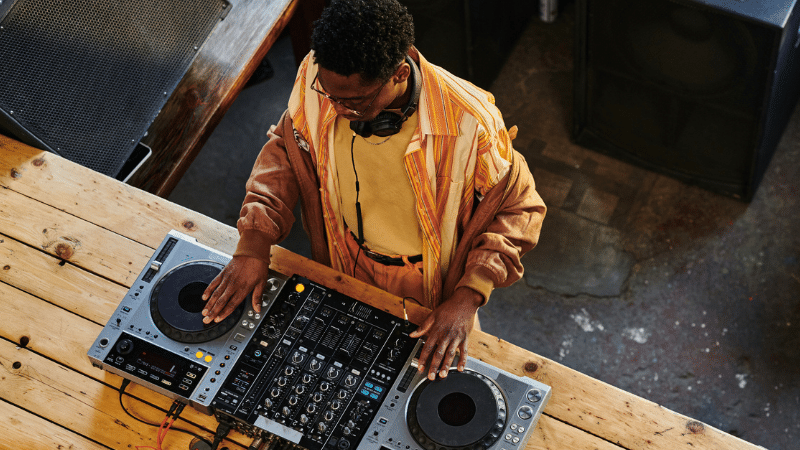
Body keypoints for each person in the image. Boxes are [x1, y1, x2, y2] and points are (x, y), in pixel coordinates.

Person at [201, 0, 546, 381]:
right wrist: (254, 245)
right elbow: (286, 148)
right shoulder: (319, 73)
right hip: (341, 258)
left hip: (429, 284)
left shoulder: (470, 120)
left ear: (399, 73)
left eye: (355, 101)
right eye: (328, 94)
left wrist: (468, 297)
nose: (336, 108)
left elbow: (519, 208)